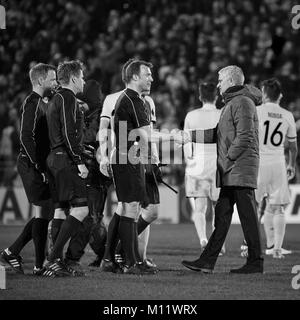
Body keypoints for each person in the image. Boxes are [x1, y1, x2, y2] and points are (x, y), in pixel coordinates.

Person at [99, 59, 187, 274]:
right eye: (147, 74)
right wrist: (172, 137)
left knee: (128, 208)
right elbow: (146, 136)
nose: (152, 78)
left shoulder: (127, 99)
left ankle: (116, 259)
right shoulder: (134, 100)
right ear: (135, 77)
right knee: (130, 209)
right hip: (128, 159)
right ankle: (131, 262)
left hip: (127, 158)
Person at [182, 65, 264, 274]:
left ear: (231, 81)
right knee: (223, 215)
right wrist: (189, 136)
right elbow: (217, 134)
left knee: (247, 217)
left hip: (238, 168)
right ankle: (207, 261)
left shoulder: (242, 102)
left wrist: (228, 158)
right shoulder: (234, 103)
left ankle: (255, 262)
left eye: (220, 80)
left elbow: (245, 136)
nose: (217, 84)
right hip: (233, 170)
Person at [47, 80, 110, 271]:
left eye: (81, 102)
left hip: (92, 172)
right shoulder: (81, 112)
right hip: (77, 168)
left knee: (90, 218)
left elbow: (92, 140)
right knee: (85, 216)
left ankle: (101, 255)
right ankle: (67, 258)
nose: (77, 104)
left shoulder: (100, 117)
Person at [0, 63, 57, 275]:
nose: (55, 83)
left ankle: (13, 252)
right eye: (52, 79)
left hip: (39, 164)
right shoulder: (31, 103)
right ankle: (37, 265)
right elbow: (26, 137)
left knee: (46, 211)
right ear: (40, 80)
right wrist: (39, 166)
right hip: (31, 164)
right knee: (45, 210)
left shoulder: (44, 101)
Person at [44, 60, 89, 277]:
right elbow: (69, 133)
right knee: (81, 209)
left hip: (54, 158)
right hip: (65, 159)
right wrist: (80, 161)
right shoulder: (68, 98)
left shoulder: (56, 98)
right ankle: (52, 258)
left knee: (61, 209)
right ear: (73, 78)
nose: (84, 80)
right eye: (81, 76)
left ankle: (56, 261)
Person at [255, 78, 297, 259]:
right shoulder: (287, 115)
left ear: (264, 94)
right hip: (278, 163)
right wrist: (291, 165)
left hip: (258, 163)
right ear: (280, 95)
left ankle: (249, 246)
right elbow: (293, 147)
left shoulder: (256, 111)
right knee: (277, 208)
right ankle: (276, 248)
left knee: (255, 207)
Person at [184, 82, 225, 255]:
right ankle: (218, 243)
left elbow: (186, 141)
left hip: (197, 165)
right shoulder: (223, 113)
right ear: (216, 97)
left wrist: (189, 161)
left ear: (200, 97)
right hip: (217, 164)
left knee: (199, 207)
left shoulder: (191, 116)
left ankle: (203, 238)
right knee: (218, 207)